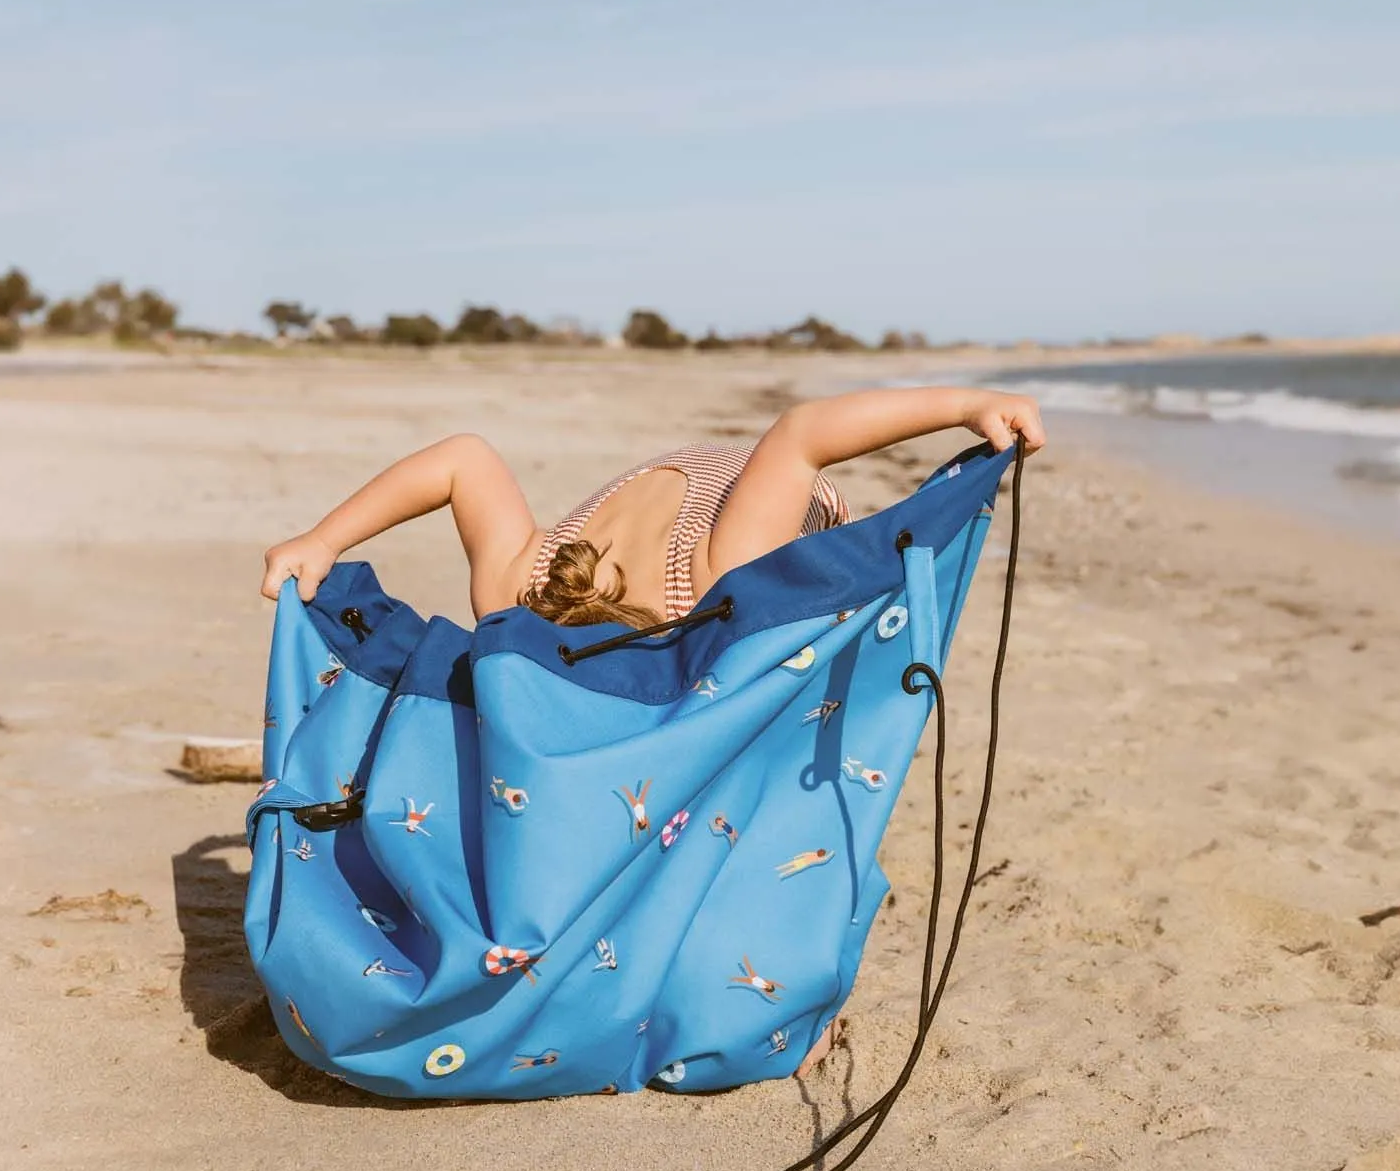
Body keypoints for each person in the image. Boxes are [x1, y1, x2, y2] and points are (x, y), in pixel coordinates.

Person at [260, 383, 1045, 1076]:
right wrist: (963, 406)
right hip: (707, 516)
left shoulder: (524, 583)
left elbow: (463, 458)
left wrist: (324, 540)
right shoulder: (726, 571)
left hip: (657, 518)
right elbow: (802, 433)